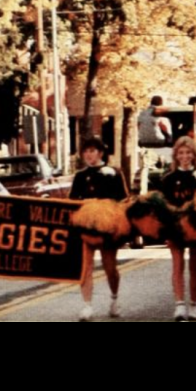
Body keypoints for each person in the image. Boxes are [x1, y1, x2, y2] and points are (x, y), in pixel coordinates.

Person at [70, 137, 129, 321]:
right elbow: (72, 201)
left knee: (110, 267)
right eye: (86, 151)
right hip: (86, 227)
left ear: (101, 153)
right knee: (85, 267)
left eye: (92, 151)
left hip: (107, 228)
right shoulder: (80, 176)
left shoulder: (114, 173)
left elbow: (123, 199)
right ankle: (87, 305)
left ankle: (114, 299)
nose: (89, 155)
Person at [159, 136, 196, 321]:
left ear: (194, 155)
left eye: (188, 152)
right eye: (181, 153)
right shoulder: (169, 179)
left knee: (195, 266)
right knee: (177, 265)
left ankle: (194, 305)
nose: (185, 156)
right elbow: (164, 204)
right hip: (176, 226)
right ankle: (180, 304)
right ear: (176, 155)